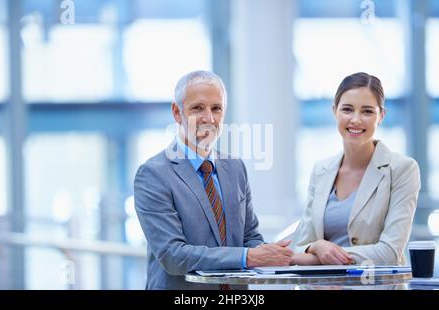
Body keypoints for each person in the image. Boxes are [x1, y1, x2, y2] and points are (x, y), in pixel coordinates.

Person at [134, 70, 317, 290]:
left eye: (216, 108)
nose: (209, 118)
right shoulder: (153, 174)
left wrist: (289, 254)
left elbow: (249, 238)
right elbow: (173, 256)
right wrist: (248, 257)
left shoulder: (235, 168)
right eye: (197, 108)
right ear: (177, 112)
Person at [292, 72, 421, 266]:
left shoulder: (402, 169)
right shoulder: (321, 171)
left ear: (381, 116)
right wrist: (316, 246)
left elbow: (390, 252)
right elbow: (301, 244)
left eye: (367, 111)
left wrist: (322, 256)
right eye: (347, 109)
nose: (356, 119)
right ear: (335, 111)